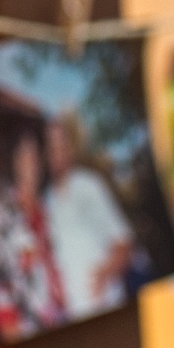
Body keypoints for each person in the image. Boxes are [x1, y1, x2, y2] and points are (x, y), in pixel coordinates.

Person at [43, 115, 135, 318]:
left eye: (62, 145)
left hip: (108, 308)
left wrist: (106, 273)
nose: (57, 153)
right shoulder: (44, 201)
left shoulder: (89, 185)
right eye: (51, 147)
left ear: (70, 148)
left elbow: (124, 244)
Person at [0, 127, 67, 341]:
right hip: (27, 324)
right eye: (23, 154)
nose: (30, 161)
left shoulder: (51, 206)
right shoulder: (0, 207)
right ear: (14, 161)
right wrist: (8, 324)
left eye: (35, 154)